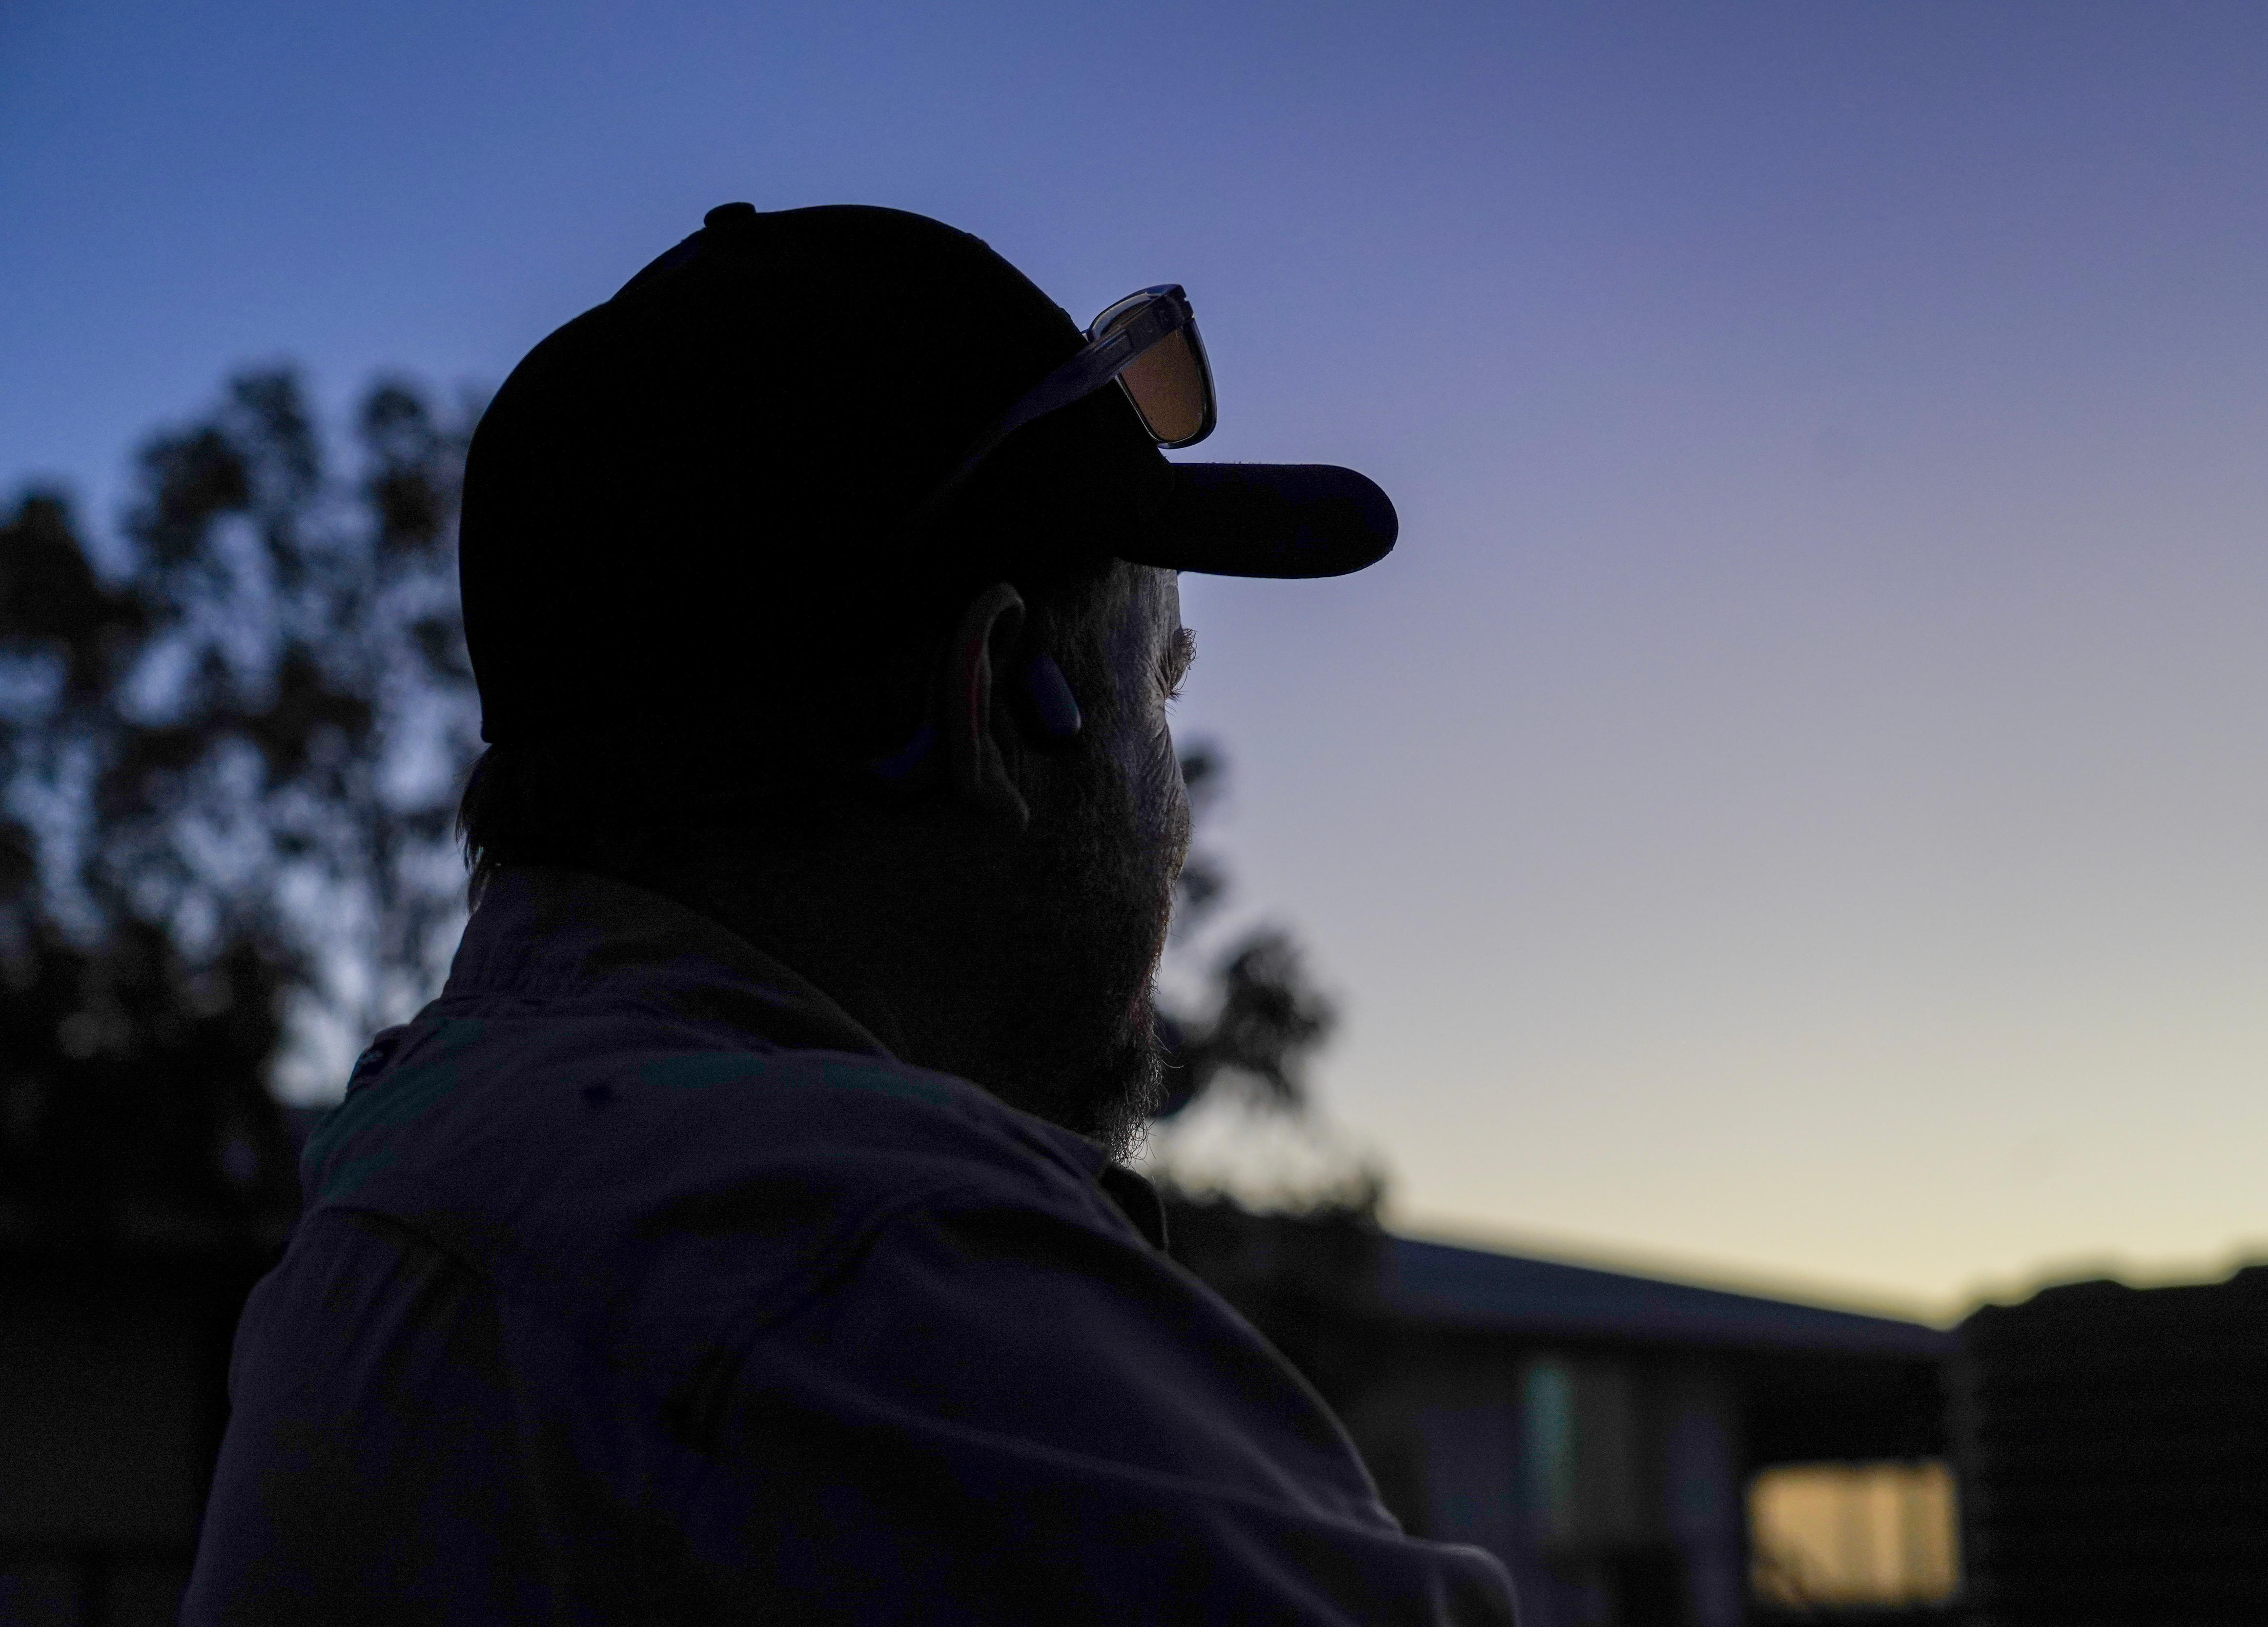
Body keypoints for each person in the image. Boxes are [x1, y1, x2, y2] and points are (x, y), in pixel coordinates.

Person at [184, 204, 1515, 1624]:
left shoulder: (420, 1176)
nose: (1177, 811)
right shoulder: (870, 1284)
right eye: (1160, 691)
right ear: (1000, 702)